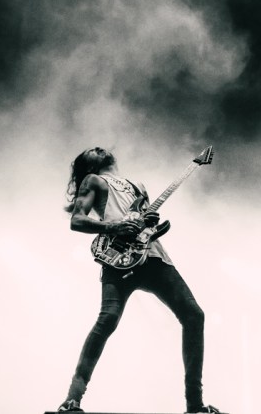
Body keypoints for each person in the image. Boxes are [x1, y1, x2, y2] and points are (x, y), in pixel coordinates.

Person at [57, 147, 220, 413]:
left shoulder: (138, 186)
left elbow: (147, 226)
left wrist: (150, 223)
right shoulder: (93, 180)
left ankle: (195, 405)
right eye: (90, 151)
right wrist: (113, 227)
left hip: (153, 256)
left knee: (194, 315)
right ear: (88, 165)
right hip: (117, 258)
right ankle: (72, 399)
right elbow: (77, 220)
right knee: (108, 319)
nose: (98, 148)